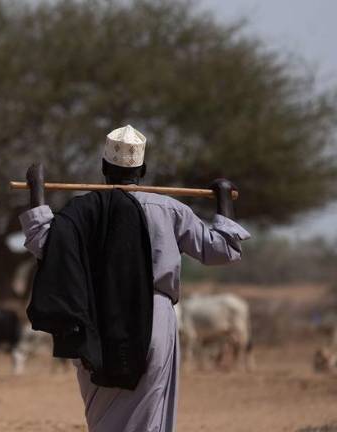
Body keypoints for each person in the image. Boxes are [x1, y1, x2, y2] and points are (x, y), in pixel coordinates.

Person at [19, 125, 250, 432]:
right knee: (147, 417)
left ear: (103, 167)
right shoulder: (168, 209)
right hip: (155, 319)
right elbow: (222, 250)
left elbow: (42, 242)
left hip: (94, 321)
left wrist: (36, 191)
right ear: (142, 169)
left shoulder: (80, 211)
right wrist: (223, 199)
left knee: (103, 418)